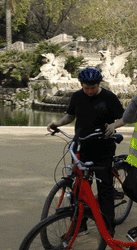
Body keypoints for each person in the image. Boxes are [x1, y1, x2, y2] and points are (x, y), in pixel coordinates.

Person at [47, 68, 125, 232]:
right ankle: (79, 224)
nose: (89, 91)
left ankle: (107, 225)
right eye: (86, 88)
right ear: (81, 84)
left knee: (104, 186)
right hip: (81, 146)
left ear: (99, 84)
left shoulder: (109, 97)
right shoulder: (77, 96)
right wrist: (58, 123)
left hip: (104, 147)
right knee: (80, 187)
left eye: (93, 88)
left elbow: (123, 118)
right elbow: (70, 116)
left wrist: (113, 126)